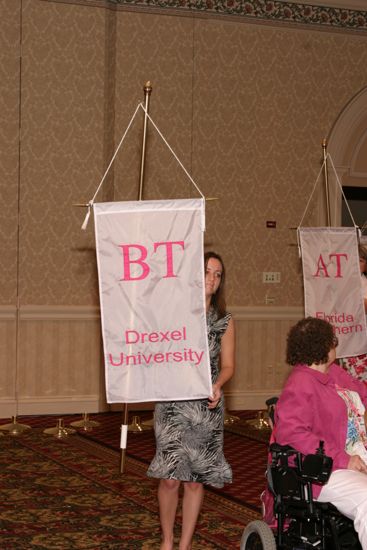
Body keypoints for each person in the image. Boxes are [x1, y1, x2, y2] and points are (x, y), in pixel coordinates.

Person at [147, 251, 236, 550]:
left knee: (195, 479)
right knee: (170, 477)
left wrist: (219, 384)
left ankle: (184, 544)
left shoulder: (223, 320)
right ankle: (167, 540)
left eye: (218, 274)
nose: (212, 278)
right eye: (207, 272)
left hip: (205, 406)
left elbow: (228, 366)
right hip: (172, 403)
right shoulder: (172, 313)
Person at [274, 316, 367, 548]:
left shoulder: (333, 372)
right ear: (324, 346)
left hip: (353, 455)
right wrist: (344, 459)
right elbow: (292, 434)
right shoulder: (300, 384)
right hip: (319, 469)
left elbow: (362, 393)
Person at [340, 244, 367, 385]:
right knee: (345, 379)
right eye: (354, 259)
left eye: (361, 260)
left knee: (360, 381)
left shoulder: (364, 284)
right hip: (345, 337)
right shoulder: (342, 283)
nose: (357, 263)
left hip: (361, 339)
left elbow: (363, 307)